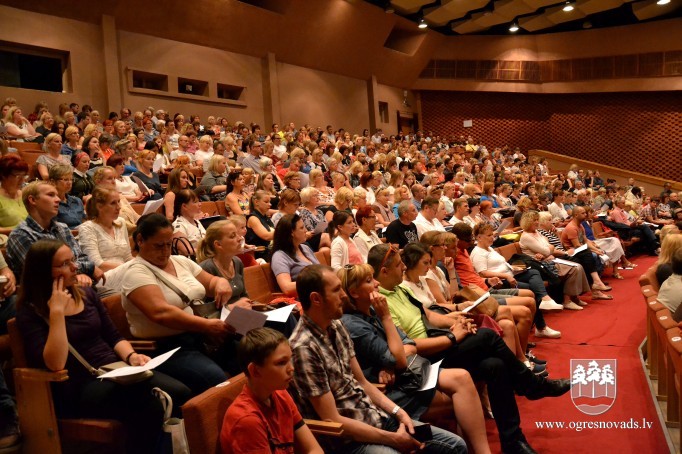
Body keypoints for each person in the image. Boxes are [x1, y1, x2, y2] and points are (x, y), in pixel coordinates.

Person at [367, 243, 571, 453]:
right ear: (384, 271)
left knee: (495, 365)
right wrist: (452, 337)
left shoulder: (400, 288)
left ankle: (513, 440)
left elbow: (429, 316)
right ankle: (532, 385)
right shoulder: (381, 302)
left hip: (438, 342)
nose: (403, 267)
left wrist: (456, 322)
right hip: (424, 361)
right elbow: (407, 346)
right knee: (487, 336)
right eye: (399, 265)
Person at [15, 239, 191, 454]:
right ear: (43, 271)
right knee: (150, 407)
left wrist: (132, 357)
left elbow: (113, 336)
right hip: (77, 385)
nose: (75, 267)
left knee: (180, 392)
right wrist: (57, 313)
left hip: (115, 370)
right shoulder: (30, 312)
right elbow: (55, 364)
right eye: (64, 264)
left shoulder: (87, 294)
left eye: (73, 260)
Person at [289, 264, 467, 454]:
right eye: (336, 290)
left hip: (375, 417)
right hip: (350, 441)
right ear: (316, 299)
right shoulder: (304, 348)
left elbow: (362, 383)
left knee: (456, 445)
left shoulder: (336, 326)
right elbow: (332, 419)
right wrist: (393, 439)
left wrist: (399, 413)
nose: (343, 295)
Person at [338, 264, 492, 454]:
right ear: (354, 292)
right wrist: (387, 320)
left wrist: (390, 362)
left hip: (405, 374)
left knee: (464, 376)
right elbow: (399, 359)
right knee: (465, 393)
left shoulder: (371, 310)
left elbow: (408, 344)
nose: (377, 283)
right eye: (369, 281)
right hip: (389, 391)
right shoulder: (354, 323)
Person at [121, 213, 232, 395]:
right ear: (140, 240)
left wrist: (221, 283)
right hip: (166, 348)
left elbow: (211, 282)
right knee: (215, 378)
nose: (165, 251)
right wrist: (206, 326)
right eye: (159, 245)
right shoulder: (136, 273)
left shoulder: (180, 261)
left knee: (253, 352)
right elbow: (161, 313)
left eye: (168, 244)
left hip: (199, 336)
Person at [220, 328, 323, 454]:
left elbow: (314, 449)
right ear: (255, 371)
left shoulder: (281, 394)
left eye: (290, 359)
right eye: (281, 363)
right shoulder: (247, 420)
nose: (291, 368)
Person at [7, 181, 103, 284]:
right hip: (45, 291)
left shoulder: (62, 228)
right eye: (51, 195)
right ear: (33, 200)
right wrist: (87, 269)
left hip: (77, 285)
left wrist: (76, 271)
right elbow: (42, 272)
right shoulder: (21, 235)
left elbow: (82, 258)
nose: (58, 200)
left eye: (57, 195)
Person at [518, 211, 592, 312]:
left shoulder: (537, 232)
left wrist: (548, 249)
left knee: (578, 266)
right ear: (528, 222)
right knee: (575, 268)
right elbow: (546, 250)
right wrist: (548, 249)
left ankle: (574, 297)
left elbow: (548, 247)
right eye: (534, 220)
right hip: (540, 265)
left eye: (537, 219)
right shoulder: (526, 236)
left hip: (550, 260)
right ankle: (567, 301)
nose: (537, 222)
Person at [79, 186, 133, 272]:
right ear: (99, 206)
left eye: (119, 202)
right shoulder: (87, 228)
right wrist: (129, 267)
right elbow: (96, 264)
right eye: (113, 203)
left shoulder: (121, 222)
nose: (119, 207)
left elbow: (127, 257)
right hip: (104, 274)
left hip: (126, 270)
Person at [271, 214, 319, 297]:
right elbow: (287, 288)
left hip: (318, 292)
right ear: (292, 232)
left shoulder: (305, 248)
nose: (305, 230)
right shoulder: (279, 256)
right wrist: (317, 281)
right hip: (304, 298)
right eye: (301, 228)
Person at [0, 155, 29, 235]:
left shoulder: (25, 194)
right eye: (18, 176)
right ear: (3, 175)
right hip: (8, 238)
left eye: (24, 176)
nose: (22, 180)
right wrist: (16, 231)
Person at [49, 164, 85, 229]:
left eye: (71, 179)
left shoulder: (77, 201)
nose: (69, 183)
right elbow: (54, 230)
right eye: (65, 180)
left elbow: (84, 221)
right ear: (53, 182)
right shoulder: (50, 203)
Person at [172, 189, 206, 254]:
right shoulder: (179, 226)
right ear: (184, 206)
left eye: (199, 201)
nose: (200, 204)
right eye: (195, 202)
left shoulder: (196, 222)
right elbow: (187, 251)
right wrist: (209, 252)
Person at [246, 190, 275, 260]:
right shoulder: (253, 218)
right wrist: (285, 230)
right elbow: (266, 236)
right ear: (256, 202)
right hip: (260, 255)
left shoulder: (266, 217)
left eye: (270, 202)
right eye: (266, 202)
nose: (270, 204)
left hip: (270, 251)